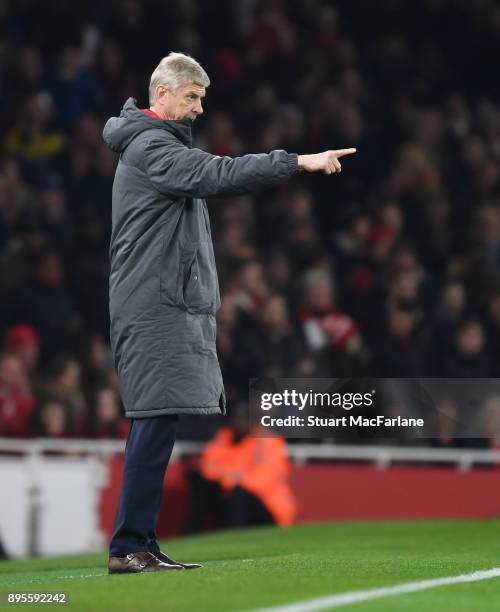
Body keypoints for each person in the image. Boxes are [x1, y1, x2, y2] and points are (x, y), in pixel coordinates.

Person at [103, 51, 356, 574]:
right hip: (152, 306)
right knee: (153, 418)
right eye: (192, 97)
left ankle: (139, 542)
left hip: (158, 303)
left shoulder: (151, 145)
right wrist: (297, 161)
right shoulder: (152, 146)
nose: (198, 109)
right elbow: (218, 173)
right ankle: (129, 545)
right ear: (162, 95)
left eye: (202, 98)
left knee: (157, 418)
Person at [184, 404, 296, 534]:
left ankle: (233, 539)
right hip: (231, 496)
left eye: (244, 418)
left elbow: (262, 479)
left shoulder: (267, 440)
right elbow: (207, 467)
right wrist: (230, 479)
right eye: (237, 418)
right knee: (203, 486)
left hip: (268, 507)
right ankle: (190, 535)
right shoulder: (223, 437)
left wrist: (228, 479)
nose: (240, 422)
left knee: (239, 494)